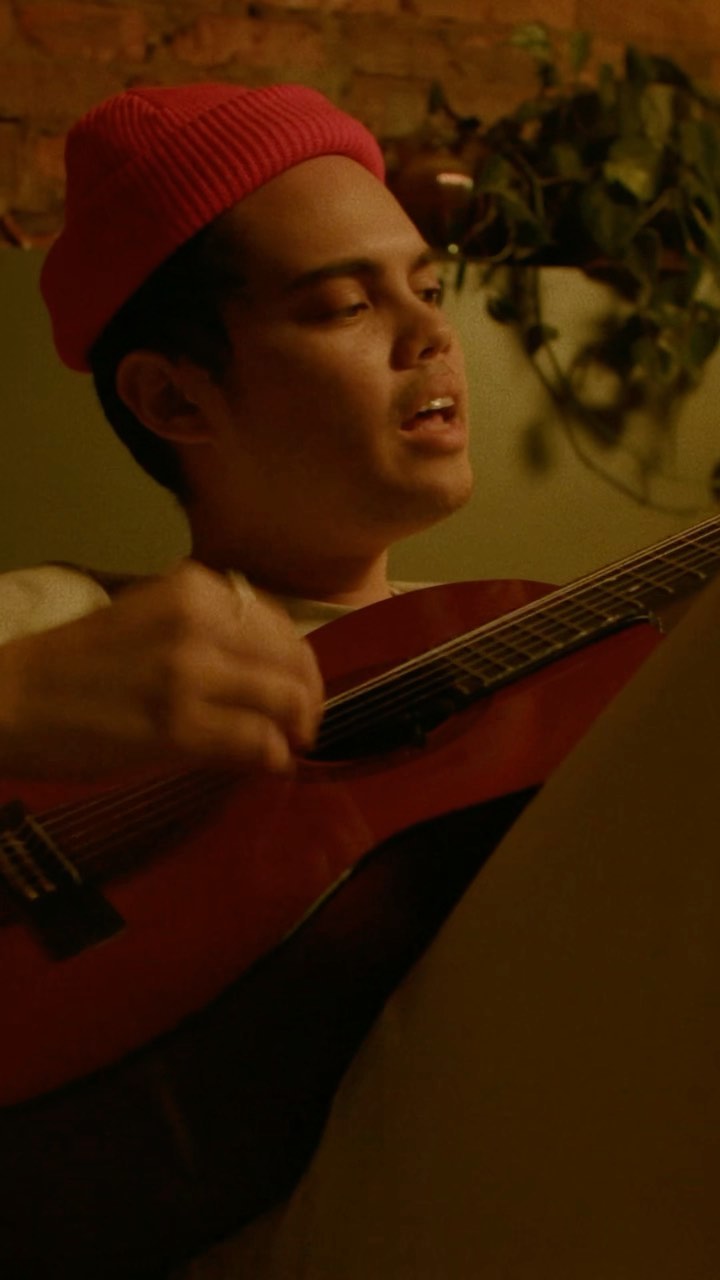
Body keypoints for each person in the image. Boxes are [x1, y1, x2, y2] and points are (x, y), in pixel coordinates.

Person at [2, 82, 720, 1278]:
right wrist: (16, 698)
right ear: (174, 395)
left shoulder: (551, 655)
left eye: (428, 288)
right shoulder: (64, 622)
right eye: (344, 303)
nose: (430, 334)